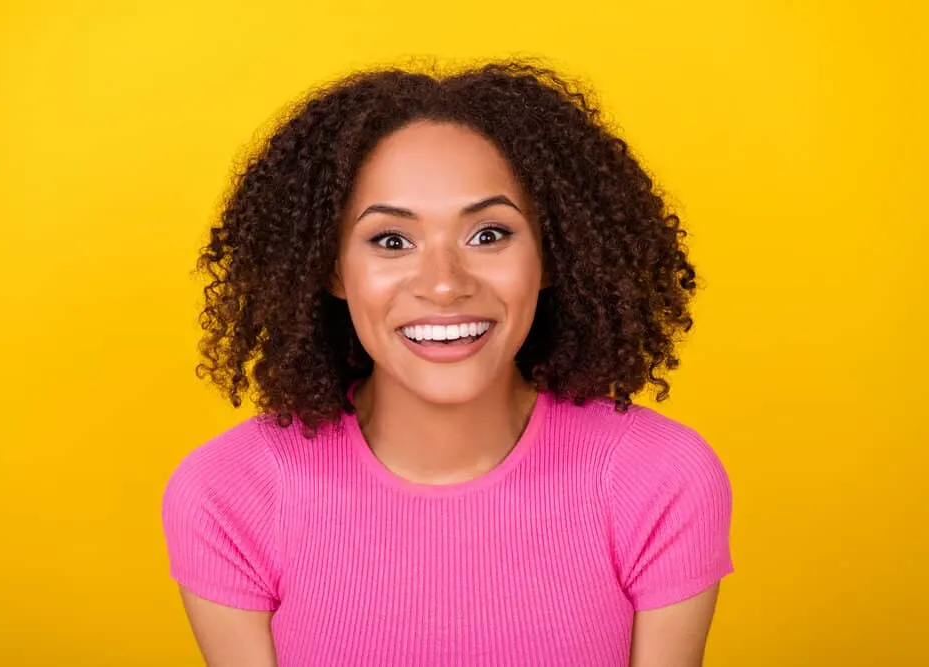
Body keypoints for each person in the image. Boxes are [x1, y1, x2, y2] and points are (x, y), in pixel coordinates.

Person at [161, 60, 734, 667]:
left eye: (488, 235)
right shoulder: (228, 495)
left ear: (552, 256)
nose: (442, 285)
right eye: (391, 240)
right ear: (331, 269)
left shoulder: (659, 480)